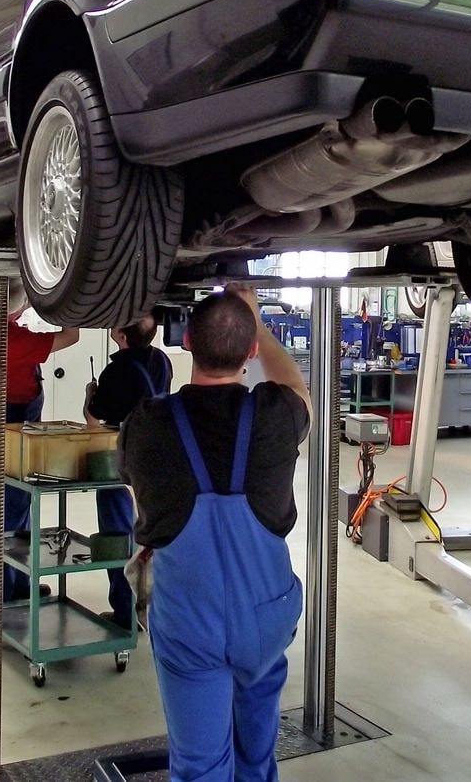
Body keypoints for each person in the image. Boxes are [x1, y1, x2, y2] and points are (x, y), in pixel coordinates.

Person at [119, 286, 311, 782]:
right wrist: (258, 322)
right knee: (256, 756)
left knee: (202, 767)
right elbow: (300, 390)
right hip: (266, 618)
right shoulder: (274, 415)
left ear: (186, 342)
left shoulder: (148, 425)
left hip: (191, 623)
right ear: (251, 351)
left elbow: (138, 497)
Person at [0, 304, 80, 602]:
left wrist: (26, 305)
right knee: (9, 514)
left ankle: (14, 586)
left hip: (3, 429)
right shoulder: (10, 340)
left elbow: (12, 310)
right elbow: (72, 336)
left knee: (16, 509)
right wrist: (72, 302)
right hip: (12, 431)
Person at [83, 313, 174, 630]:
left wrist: (90, 395)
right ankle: (152, 610)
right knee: (153, 536)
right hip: (158, 457)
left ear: (122, 336)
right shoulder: (162, 360)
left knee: (118, 534)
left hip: (122, 459)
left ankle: (125, 614)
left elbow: (93, 419)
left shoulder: (116, 371)